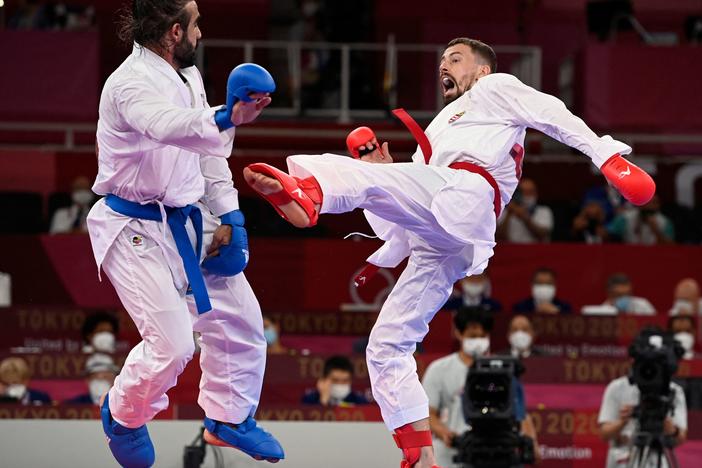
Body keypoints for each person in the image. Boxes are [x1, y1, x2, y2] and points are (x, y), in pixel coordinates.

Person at [243, 37, 654, 468]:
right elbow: (401, 223)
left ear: (481, 71)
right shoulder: (437, 131)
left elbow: (551, 113)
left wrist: (606, 157)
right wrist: (388, 174)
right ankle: (417, 445)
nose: (445, 65)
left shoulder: (494, 90)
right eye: (441, 60)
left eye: (455, 59)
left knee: (370, 182)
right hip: (442, 234)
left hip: (469, 195)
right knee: (386, 343)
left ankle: (311, 189)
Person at [85, 1, 282, 466]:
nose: (201, 31)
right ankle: (124, 414)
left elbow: (208, 151)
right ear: (175, 32)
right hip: (134, 225)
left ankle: (229, 418)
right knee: (172, 345)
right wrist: (225, 117)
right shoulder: (129, 84)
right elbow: (169, 126)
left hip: (190, 217)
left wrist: (231, 215)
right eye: (195, 23)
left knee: (242, 320)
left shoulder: (187, 75)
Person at [421, 306, 538, 467]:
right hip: (454, 455)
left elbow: (519, 412)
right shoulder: (439, 369)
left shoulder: (503, 369)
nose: (478, 340)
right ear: (458, 333)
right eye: (472, 336)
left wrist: (530, 442)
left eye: (482, 336)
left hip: (498, 453)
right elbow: (427, 413)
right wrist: (444, 433)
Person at [598, 329, 687, 468]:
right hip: (623, 461)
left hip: (659, 461)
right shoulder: (617, 387)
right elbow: (604, 434)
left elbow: (681, 437)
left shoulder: (674, 391)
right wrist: (622, 422)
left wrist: (672, 430)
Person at [496, 178, 554, 243]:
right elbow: (499, 238)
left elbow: (542, 235)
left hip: (537, 252)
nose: (527, 195)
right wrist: (509, 214)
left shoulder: (544, 211)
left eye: (530, 192)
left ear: (536, 193)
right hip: (512, 252)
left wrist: (524, 217)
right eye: (523, 192)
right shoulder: (505, 212)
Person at [301, 355, 369, 406]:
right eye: (335, 380)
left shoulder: (360, 401)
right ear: (324, 379)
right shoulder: (309, 400)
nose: (340, 384)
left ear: (350, 381)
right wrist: (323, 401)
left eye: (345, 381)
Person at [607, 194, 674, 245]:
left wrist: (656, 231)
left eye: (654, 203)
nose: (650, 205)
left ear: (658, 205)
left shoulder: (665, 222)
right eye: (647, 202)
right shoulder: (625, 218)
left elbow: (671, 247)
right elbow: (609, 236)